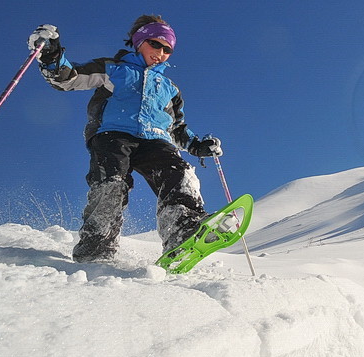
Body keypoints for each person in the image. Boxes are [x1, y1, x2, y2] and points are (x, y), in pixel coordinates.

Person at [28, 15, 223, 262]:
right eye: (155, 44)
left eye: (167, 49)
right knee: (111, 183)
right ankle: (97, 246)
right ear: (139, 41)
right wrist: (51, 55)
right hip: (112, 134)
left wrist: (197, 145)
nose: (160, 53)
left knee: (179, 173)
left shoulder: (169, 88)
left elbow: (178, 128)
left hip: (156, 139)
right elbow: (69, 78)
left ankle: (183, 231)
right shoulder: (113, 68)